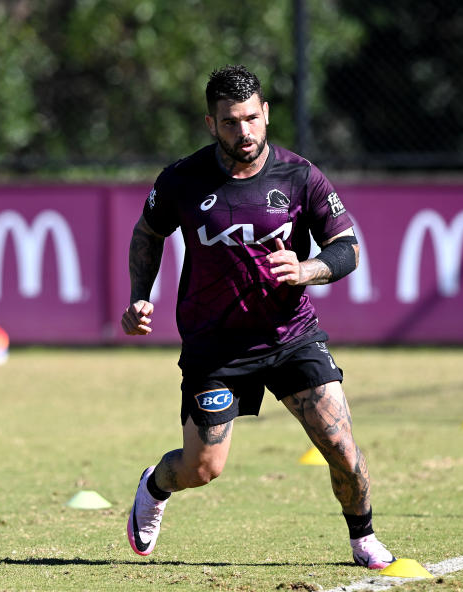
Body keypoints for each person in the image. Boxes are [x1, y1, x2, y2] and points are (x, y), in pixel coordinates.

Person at [120, 64, 395, 570]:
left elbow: (347, 248)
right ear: (211, 124)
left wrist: (308, 268)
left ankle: (363, 538)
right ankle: (155, 485)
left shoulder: (300, 176)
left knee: (340, 443)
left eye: (251, 118)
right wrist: (140, 296)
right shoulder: (181, 179)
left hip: (292, 337)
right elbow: (147, 234)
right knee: (203, 469)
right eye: (230, 122)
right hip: (215, 348)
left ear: (266, 114)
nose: (243, 131)